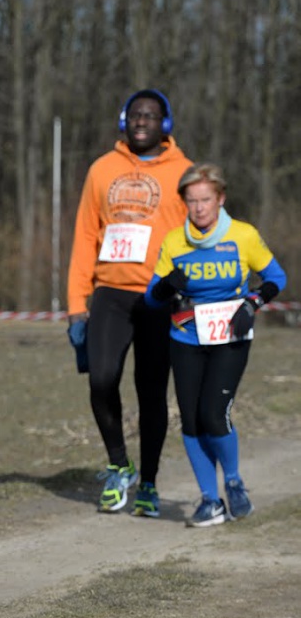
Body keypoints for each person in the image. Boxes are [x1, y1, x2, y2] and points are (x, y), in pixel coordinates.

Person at [65, 89, 191, 517]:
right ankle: (119, 465)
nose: (141, 121)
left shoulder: (184, 172)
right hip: (110, 294)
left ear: (165, 124)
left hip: (159, 297)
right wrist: (76, 303)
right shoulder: (102, 169)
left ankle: (149, 483)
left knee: (152, 391)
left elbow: (195, 236)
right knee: (101, 380)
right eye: (135, 114)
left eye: (150, 115)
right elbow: (85, 235)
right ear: (124, 120)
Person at [144, 162, 286, 527]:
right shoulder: (174, 241)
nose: (198, 208)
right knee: (191, 421)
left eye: (205, 199)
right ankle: (210, 501)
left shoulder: (243, 235)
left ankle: (234, 482)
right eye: (191, 201)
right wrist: (166, 285)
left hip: (229, 337)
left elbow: (276, 277)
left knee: (213, 413)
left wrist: (252, 303)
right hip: (185, 337)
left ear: (220, 198)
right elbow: (151, 298)